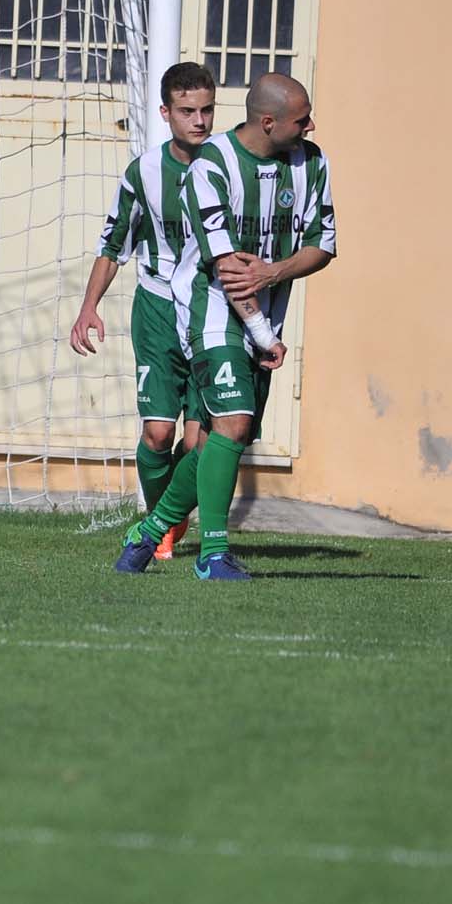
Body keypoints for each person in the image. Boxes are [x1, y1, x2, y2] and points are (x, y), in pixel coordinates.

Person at [115, 72, 335, 579]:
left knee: (221, 439)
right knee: (229, 423)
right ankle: (213, 556)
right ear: (268, 122)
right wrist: (263, 334)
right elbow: (230, 269)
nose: (310, 126)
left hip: (266, 310)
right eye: (302, 120)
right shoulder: (211, 165)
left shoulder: (313, 162)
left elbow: (322, 244)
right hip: (211, 308)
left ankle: (150, 530)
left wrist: (274, 272)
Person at [70, 61, 219, 559]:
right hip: (157, 310)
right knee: (158, 434)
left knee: (200, 445)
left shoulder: (227, 167)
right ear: (165, 113)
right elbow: (113, 244)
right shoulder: (145, 172)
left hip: (212, 311)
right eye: (187, 111)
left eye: (206, 110)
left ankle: (167, 518)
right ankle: (165, 524)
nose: (199, 120)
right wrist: (88, 307)